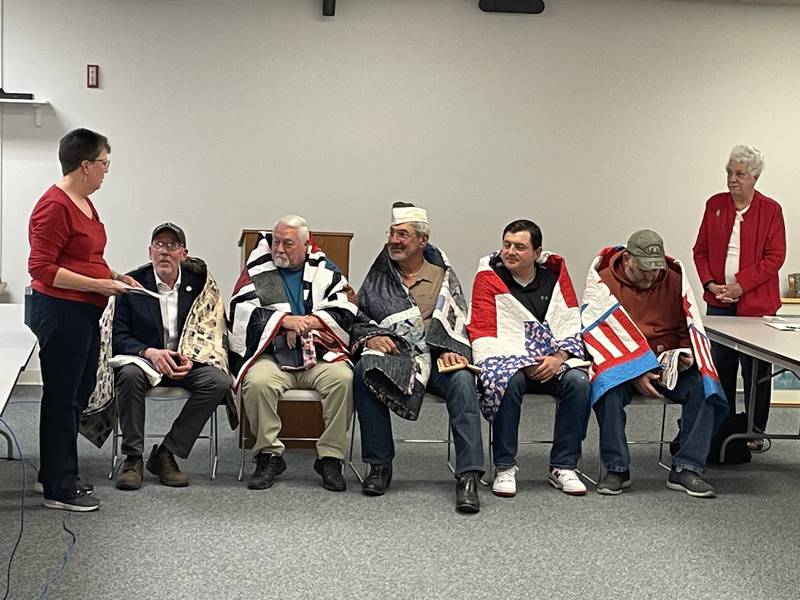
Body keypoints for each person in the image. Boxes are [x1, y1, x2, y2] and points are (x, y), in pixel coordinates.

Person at [27, 128, 141, 512]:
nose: (108, 171)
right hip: (60, 311)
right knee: (62, 397)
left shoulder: (84, 203)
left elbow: (85, 256)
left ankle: (56, 471)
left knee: (77, 393)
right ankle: (59, 488)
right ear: (86, 165)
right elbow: (42, 268)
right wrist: (96, 283)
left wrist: (112, 277)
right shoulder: (55, 205)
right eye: (105, 163)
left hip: (84, 309)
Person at [352, 202, 484, 514]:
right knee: (363, 371)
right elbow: (359, 318)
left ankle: (468, 476)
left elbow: (459, 320)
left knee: (464, 381)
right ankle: (379, 465)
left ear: (422, 241)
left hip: (438, 358)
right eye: (392, 234)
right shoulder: (379, 278)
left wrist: (455, 349)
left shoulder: (442, 276)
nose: (394, 241)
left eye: (402, 235)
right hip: (397, 356)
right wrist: (373, 336)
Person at [582, 230, 728, 498]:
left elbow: (688, 326)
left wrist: (685, 357)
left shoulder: (673, 279)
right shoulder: (603, 283)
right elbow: (597, 336)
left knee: (704, 386)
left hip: (668, 364)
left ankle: (687, 467)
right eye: (643, 270)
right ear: (627, 259)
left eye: (655, 269)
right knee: (605, 389)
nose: (651, 277)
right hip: (622, 366)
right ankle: (617, 468)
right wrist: (636, 370)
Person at [228, 215, 357, 492]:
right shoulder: (259, 271)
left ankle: (330, 457)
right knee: (258, 383)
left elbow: (345, 306)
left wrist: (308, 322)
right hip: (273, 357)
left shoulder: (324, 269)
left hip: (318, 355)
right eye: (276, 242)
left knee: (343, 380)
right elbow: (241, 310)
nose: (279, 250)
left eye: (288, 243)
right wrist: (283, 321)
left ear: (305, 245)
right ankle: (269, 454)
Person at [468, 219, 591, 497]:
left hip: (553, 359)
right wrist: (525, 362)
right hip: (510, 361)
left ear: (537, 252)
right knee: (505, 382)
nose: (510, 252)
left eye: (519, 247)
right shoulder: (489, 278)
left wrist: (559, 357)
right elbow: (484, 330)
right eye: (507, 245)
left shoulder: (555, 278)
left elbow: (569, 320)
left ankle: (563, 466)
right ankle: (504, 466)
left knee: (579, 383)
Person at [111, 223, 232, 490]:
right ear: (150, 251)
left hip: (186, 362)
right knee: (128, 375)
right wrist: (150, 353)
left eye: (172, 246)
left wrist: (193, 357)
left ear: (184, 254)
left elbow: (213, 329)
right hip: (145, 361)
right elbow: (117, 337)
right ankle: (132, 458)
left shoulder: (200, 285)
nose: (165, 251)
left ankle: (166, 452)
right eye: (159, 245)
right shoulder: (133, 284)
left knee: (218, 381)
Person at [692, 145, 786, 449]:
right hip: (718, 301)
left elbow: (775, 257)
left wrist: (741, 286)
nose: (732, 179)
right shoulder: (714, 205)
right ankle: (724, 425)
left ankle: (754, 431)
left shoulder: (771, 210)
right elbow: (700, 251)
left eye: (740, 174)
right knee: (722, 366)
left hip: (756, 305)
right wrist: (709, 283)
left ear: (754, 177)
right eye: (730, 173)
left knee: (756, 369)